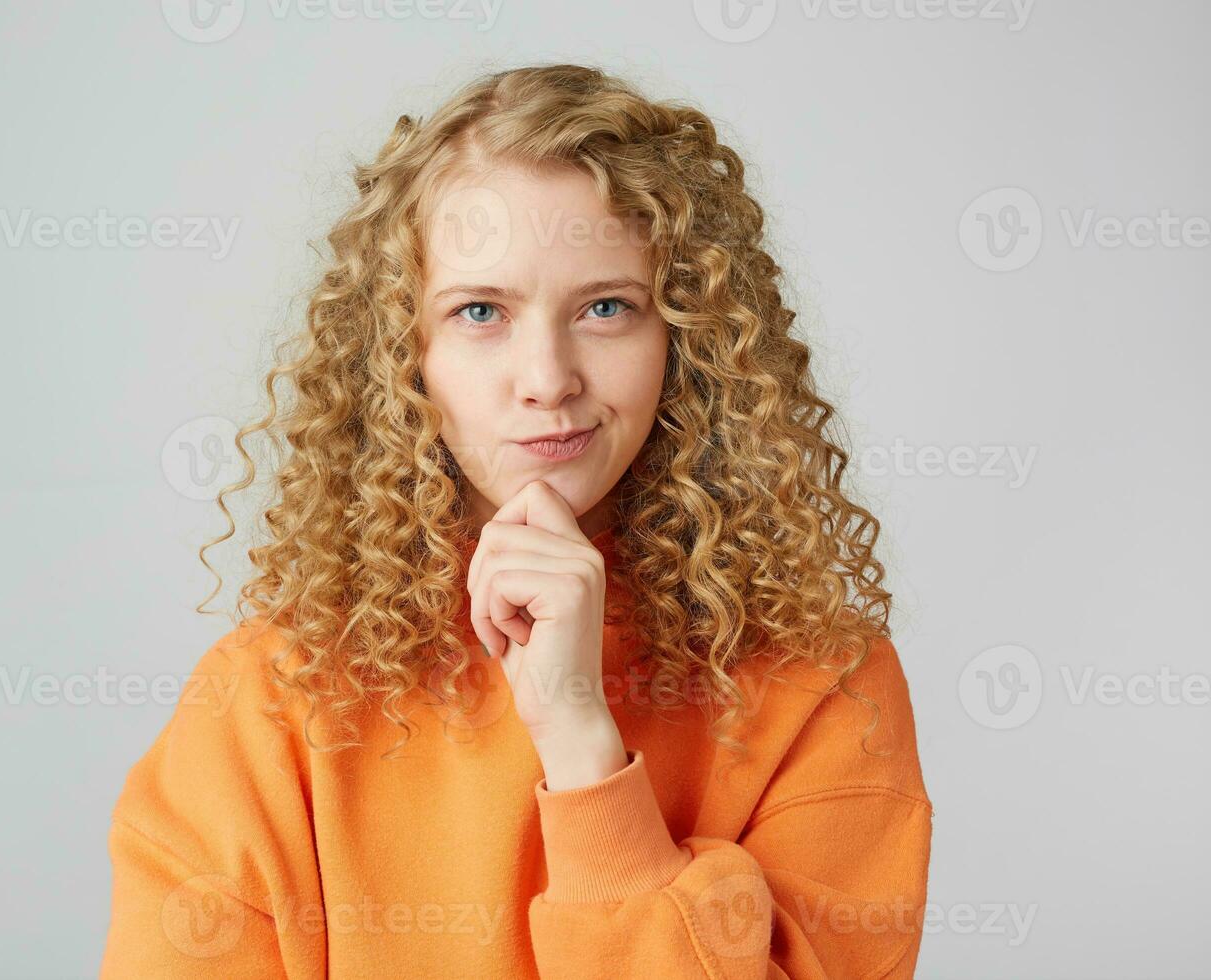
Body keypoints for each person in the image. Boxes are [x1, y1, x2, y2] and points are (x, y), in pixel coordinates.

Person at [100, 63, 933, 978]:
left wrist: (579, 738)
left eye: (607, 307)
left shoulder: (827, 687)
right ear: (403, 355)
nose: (547, 377)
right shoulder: (268, 698)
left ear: (687, 340)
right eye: (481, 312)